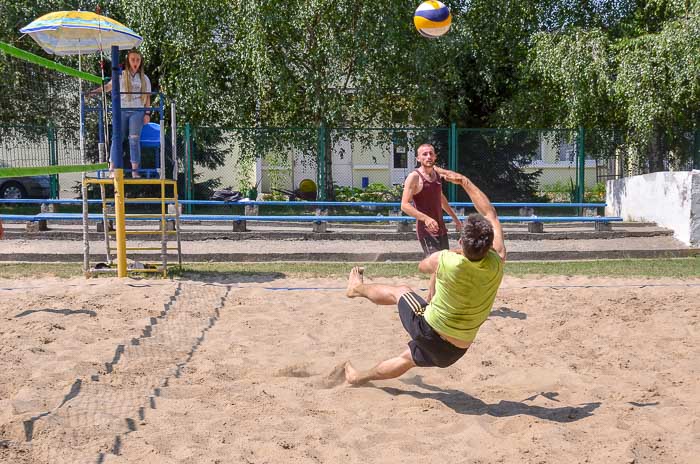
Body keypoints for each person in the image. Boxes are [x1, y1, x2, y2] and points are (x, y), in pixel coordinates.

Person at [344, 168, 506, 385]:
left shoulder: (447, 259)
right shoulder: (498, 261)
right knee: (406, 358)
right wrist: (465, 181)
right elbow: (490, 214)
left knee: (401, 290)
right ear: (488, 245)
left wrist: (463, 181)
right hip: (456, 351)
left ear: (461, 243)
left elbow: (422, 267)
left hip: (430, 330)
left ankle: (356, 288)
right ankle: (358, 377)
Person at [89, 48, 152, 178]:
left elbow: (147, 97)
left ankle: (135, 171)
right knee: (117, 138)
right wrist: (94, 92)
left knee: (134, 139)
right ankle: (112, 169)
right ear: (128, 61)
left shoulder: (144, 78)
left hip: (137, 111)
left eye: (138, 60)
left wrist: (147, 114)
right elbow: (107, 87)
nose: (135, 62)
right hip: (122, 110)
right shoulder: (121, 75)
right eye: (133, 59)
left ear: (140, 62)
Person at [401, 143, 462, 257]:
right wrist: (426, 219)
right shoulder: (414, 177)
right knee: (436, 263)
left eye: (431, 154)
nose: (428, 156)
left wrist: (456, 220)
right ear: (418, 158)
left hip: (441, 227)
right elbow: (404, 205)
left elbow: (441, 199)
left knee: (444, 264)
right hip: (426, 230)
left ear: (435, 157)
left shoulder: (437, 175)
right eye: (424, 154)